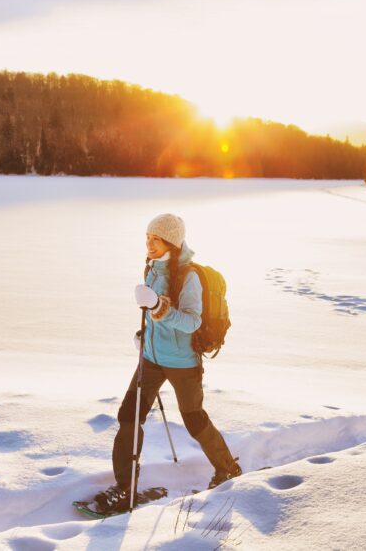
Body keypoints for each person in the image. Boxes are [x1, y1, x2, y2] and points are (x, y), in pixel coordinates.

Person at [94, 213, 241, 515]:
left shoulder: (187, 277)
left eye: (155, 239)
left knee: (194, 419)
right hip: (151, 359)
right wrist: (145, 334)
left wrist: (158, 307)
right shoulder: (152, 268)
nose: (148, 244)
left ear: (170, 241)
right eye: (147, 238)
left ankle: (227, 469)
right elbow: (153, 314)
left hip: (183, 363)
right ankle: (125, 488)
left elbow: (191, 321)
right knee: (129, 416)